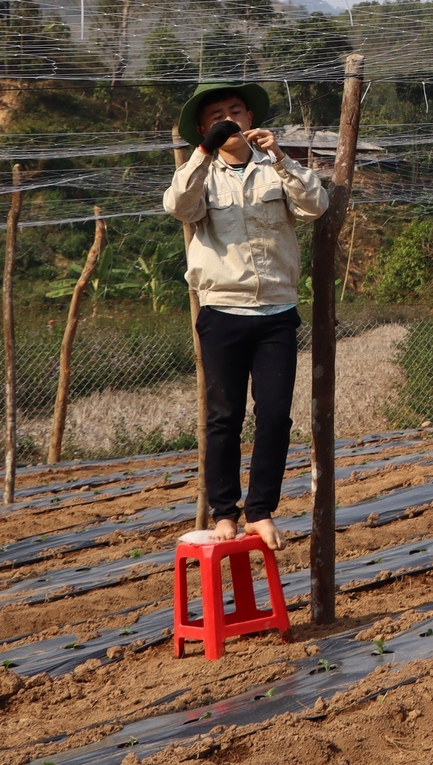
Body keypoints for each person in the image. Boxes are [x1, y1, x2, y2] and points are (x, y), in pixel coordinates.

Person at [164, 82, 328, 548]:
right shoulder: (201, 176)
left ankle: (260, 510)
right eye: (217, 116)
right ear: (203, 129)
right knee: (224, 416)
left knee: (275, 415)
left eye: (236, 111)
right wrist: (202, 153)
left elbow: (316, 205)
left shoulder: (274, 170)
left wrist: (282, 157)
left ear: (252, 118)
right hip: (222, 311)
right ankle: (225, 514)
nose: (229, 120)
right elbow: (177, 206)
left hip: (276, 311)